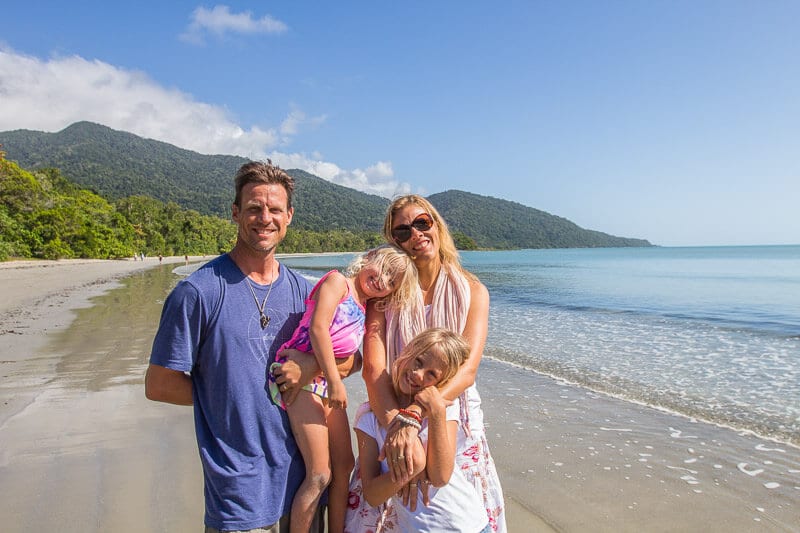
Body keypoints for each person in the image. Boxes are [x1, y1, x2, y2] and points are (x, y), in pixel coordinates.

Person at [145, 160, 349, 532]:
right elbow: (159, 385)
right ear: (236, 212)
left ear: (289, 217)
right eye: (254, 208)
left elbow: (352, 358)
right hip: (238, 493)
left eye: (274, 209)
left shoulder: (308, 294)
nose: (264, 218)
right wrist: (227, 395)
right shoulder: (198, 293)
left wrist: (311, 368)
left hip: (303, 483)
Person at [349, 194, 506, 531]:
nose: (416, 234)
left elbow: (467, 371)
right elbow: (375, 370)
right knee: (396, 504)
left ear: (436, 225)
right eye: (403, 231)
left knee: (453, 515)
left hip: (453, 417)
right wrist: (396, 425)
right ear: (396, 242)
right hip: (389, 409)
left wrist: (416, 417)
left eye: (422, 223)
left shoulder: (473, 291)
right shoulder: (384, 297)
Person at [269, 245, 418, 533]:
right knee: (319, 474)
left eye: (391, 281)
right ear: (369, 257)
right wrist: (336, 382)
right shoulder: (339, 282)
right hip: (301, 382)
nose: (382, 279)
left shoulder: (363, 308)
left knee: (346, 464)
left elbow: (357, 358)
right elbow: (318, 329)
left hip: (323, 384)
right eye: (383, 268)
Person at [347, 328, 490, 533]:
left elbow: (440, 477)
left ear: (441, 382)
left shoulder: (443, 409)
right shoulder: (369, 417)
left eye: (431, 374)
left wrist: (437, 412)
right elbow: (372, 495)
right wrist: (410, 469)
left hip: (468, 525)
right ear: (407, 351)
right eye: (419, 362)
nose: (418, 374)